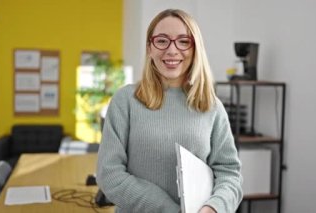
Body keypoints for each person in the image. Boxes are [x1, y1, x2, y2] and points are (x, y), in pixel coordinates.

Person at [96, 9, 243, 213]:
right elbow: (109, 174)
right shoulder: (125, 101)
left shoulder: (212, 107)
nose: (172, 51)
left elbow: (229, 174)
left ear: (195, 48)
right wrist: (168, 210)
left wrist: (214, 207)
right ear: (149, 48)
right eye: (162, 41)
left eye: (183, 41)